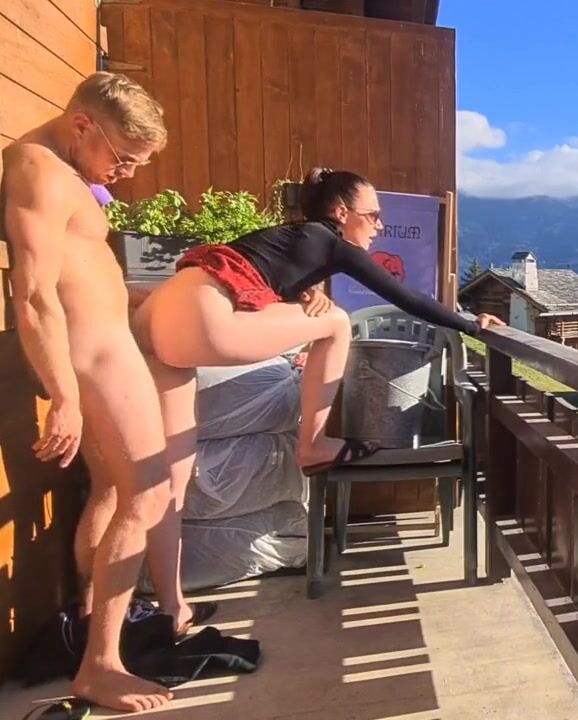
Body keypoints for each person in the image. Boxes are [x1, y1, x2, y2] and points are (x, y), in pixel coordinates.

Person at [129, 169, 504, 545]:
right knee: (337, 322)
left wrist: (302, 294)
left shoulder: (291, 238)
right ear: (342, 212)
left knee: (168, 482)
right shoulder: (331, 243)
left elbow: (253, 280)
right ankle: (313, 444)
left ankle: (166, 585)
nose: (379, 225)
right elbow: (406, 297)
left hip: (153, 320)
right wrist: (471, 325)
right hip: (201, 323)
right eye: (373, 215)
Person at [1, 71, 175, 713]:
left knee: (110, 490)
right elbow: (33, 293)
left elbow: (78, 276)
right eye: (122, 158)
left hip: (105, 347)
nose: (124, 173)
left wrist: (146, 296)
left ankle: (93, 620)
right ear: (82, 125)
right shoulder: (40, 170)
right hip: (97, 360)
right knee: (148, 494)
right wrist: (65, 395)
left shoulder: (65, 174)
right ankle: (101, 665)